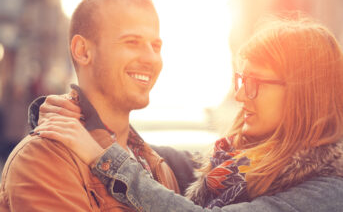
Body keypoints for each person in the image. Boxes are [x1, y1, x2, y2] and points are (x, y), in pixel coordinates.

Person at [33, 14, 343, 211]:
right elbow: (158, 157)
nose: (239, 95)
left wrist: (101, 155)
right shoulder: (236, 166)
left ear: (304, 94)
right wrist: (77, 118)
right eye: (240, 80)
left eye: (255, 83)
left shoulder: (329, 191)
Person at [0, 0, 195, 211]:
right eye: (132, 42)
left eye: (156, 46)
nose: (152, 59)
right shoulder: (43, 159)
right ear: (82, 51)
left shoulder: (157, 166)